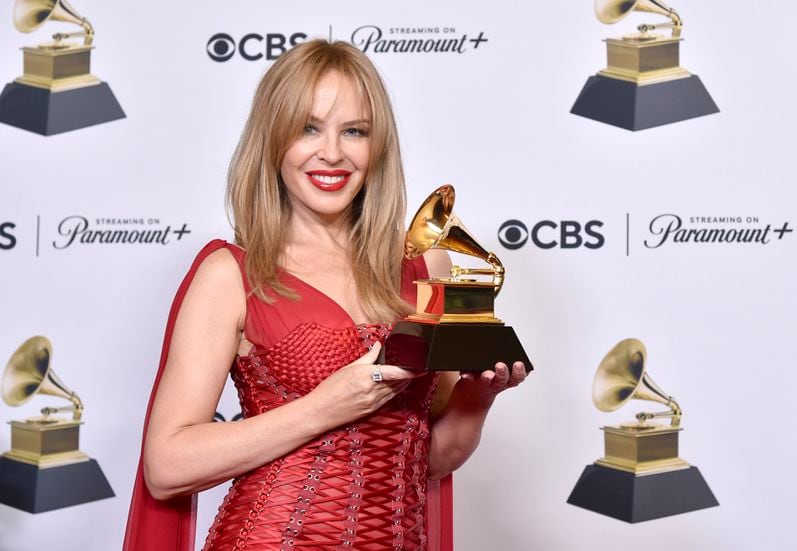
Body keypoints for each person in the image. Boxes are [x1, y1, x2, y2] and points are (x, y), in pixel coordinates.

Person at [124, 39, 528, 551]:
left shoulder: (429, 268)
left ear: (376, 146)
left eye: (354, 131)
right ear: (273, 143)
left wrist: (478, 397)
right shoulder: (230, 274)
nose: (332, 152)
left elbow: (429, 458)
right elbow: (166, 466)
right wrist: (323, 407)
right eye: (307, 128)